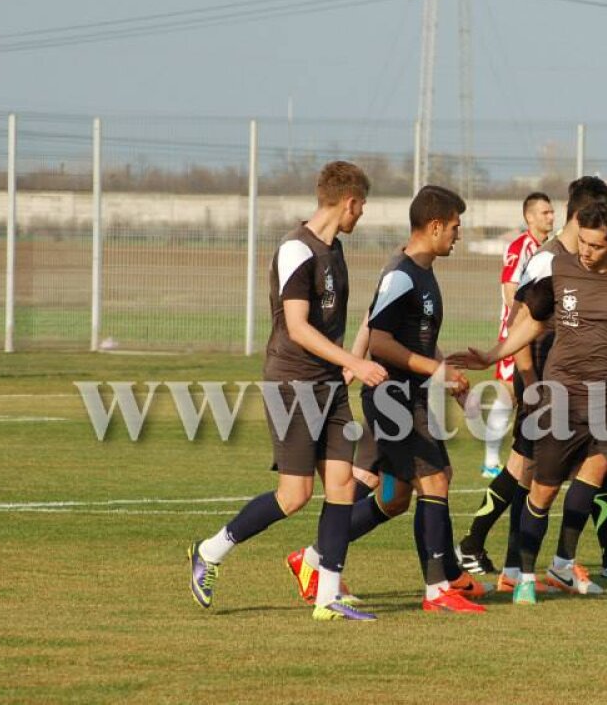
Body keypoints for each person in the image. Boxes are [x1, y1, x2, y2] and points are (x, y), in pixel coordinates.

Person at [452, 197, 607, 608]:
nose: (586, 252)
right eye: (583, 243)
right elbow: (531, 321)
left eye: (596, 246)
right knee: (542, 493)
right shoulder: (557, 269)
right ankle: (524, 577)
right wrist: (491, 355)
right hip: (562, 399)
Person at [187, 160, 386, 621]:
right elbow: (296, 328)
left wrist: (346, 367)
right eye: (362, 208)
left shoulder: (335, 251)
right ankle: (209, 553)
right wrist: (352, 361)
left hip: (329, 386)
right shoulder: (297, 251)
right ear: (350, 202)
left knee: (340, 485)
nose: (362, 217)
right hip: (293, 384)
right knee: (293, 495)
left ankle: (327, 597)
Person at [285, 187, 490, 608]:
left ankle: (314, 557)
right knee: (434, 480)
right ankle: (438, 588)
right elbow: (380, 340)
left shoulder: (421, 271)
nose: (459, 235)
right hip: (395, 400)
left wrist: (443, 371)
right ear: (434, 227)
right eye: (455, 227)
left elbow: (407, 335)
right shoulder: (402, 273)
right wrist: (433, 369)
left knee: (392, 496)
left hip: (403, 396)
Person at [455, 178, 607, 593]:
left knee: (570, 462)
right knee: (528, 470)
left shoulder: (578, 259)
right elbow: (524, 323)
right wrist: (532, 384)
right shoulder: (546, 260)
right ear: (582, 216)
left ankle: (524, 563)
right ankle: (519, 565)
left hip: (569, 379)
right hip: (541, 376)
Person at [480, 191, 556, 479]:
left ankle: (534, 457)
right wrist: (523, 323)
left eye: (551, 212)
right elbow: (510, 291)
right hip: (517, 331)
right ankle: (490, 462)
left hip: (535, 331)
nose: (551, 216)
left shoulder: (546, 247)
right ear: (530, 217)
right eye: (545, 212)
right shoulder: (520, 247)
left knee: (532, 393)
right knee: (510, 393)